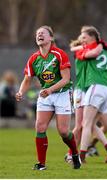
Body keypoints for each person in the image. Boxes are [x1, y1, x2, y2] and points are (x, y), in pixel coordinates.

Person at [15, 25, 81, 170]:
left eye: (43, 33)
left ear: (51, 37)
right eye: (37, 33)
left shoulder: (59, 54)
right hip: (46, 95)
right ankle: (41, 164)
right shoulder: (34, 59)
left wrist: (50, 90)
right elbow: (27, 80)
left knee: (63, 131)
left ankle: (75, 154)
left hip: (62, 93)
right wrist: (21, 92)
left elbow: (66, 79)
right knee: (40, 127)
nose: (39, 35)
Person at [65, 26, 107, 163]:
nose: (83, 40)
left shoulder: (92, 49)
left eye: (84, 37)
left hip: (92, 89)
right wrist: (101, 46)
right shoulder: (83, 50)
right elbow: (75, 49)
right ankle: (72, 153)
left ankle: (97, 150)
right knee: (80, 125)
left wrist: (102, 47)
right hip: (81, 89)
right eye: (81, 38)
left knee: (89, 124)